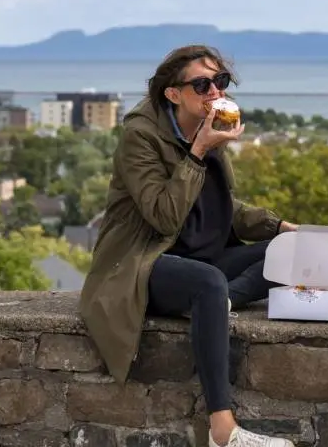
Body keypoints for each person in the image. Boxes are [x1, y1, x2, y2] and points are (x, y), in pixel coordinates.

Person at [79, 45, 298, 447]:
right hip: (143, 262)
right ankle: (222, 428)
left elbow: (222, 206)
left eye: (221, 82)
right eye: (202, 84)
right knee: (207, 282)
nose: (214, 91)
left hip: (201, 253)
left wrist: (282, 227)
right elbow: (163, 214)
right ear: (173, 93)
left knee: (290, 251)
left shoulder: (206, 125)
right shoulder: (139, 137)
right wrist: (199, 151)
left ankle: (224, 300)